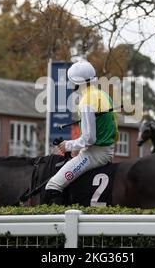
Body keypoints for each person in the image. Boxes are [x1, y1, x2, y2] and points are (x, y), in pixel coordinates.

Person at [44, 60, 119, 205]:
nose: (70, 85)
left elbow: (89, 139)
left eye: (71, 81)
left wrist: (68, 145)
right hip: (106, 150)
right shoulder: (103, 95)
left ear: (77, 83)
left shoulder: (86, 102)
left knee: (53, 185)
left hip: (94, 154)